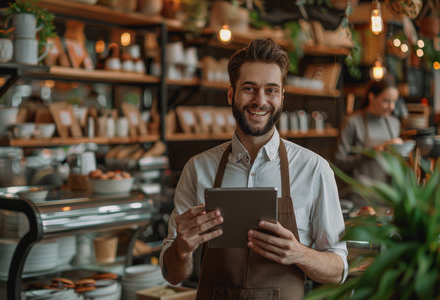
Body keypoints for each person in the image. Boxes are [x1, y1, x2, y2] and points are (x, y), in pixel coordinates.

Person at [160, 38, 348, 300]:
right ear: (230, 94)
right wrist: (181, 248)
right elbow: (172, 274)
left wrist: (299, 253)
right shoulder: (198, 168)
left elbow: (338, 270)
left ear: (282, 97)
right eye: (249, 88)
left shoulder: (314, 169)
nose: (259, 100)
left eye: (271, 90)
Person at [335, 76, 402, 207]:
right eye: (386, 101)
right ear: (372, 97)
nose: (391, 107)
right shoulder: (352, 122)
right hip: (360, 199)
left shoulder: (394, 123)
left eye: (394, 102)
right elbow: (339, 162)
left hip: (389, 198)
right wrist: (370, 153)